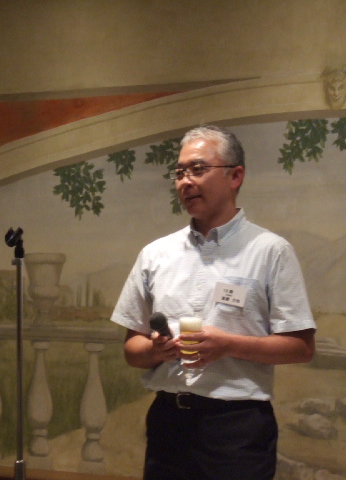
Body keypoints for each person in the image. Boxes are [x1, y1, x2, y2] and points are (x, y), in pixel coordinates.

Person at [110, 125, 316, 480]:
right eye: (179, 173)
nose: (185, 182)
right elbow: (132, 350)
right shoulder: (155, 255)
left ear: (235, 176)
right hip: (168, 423)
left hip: (237, 429)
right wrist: (156, 351)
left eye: (197, 169)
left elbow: (301, 348)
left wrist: (228, 345)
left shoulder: (271, 252)